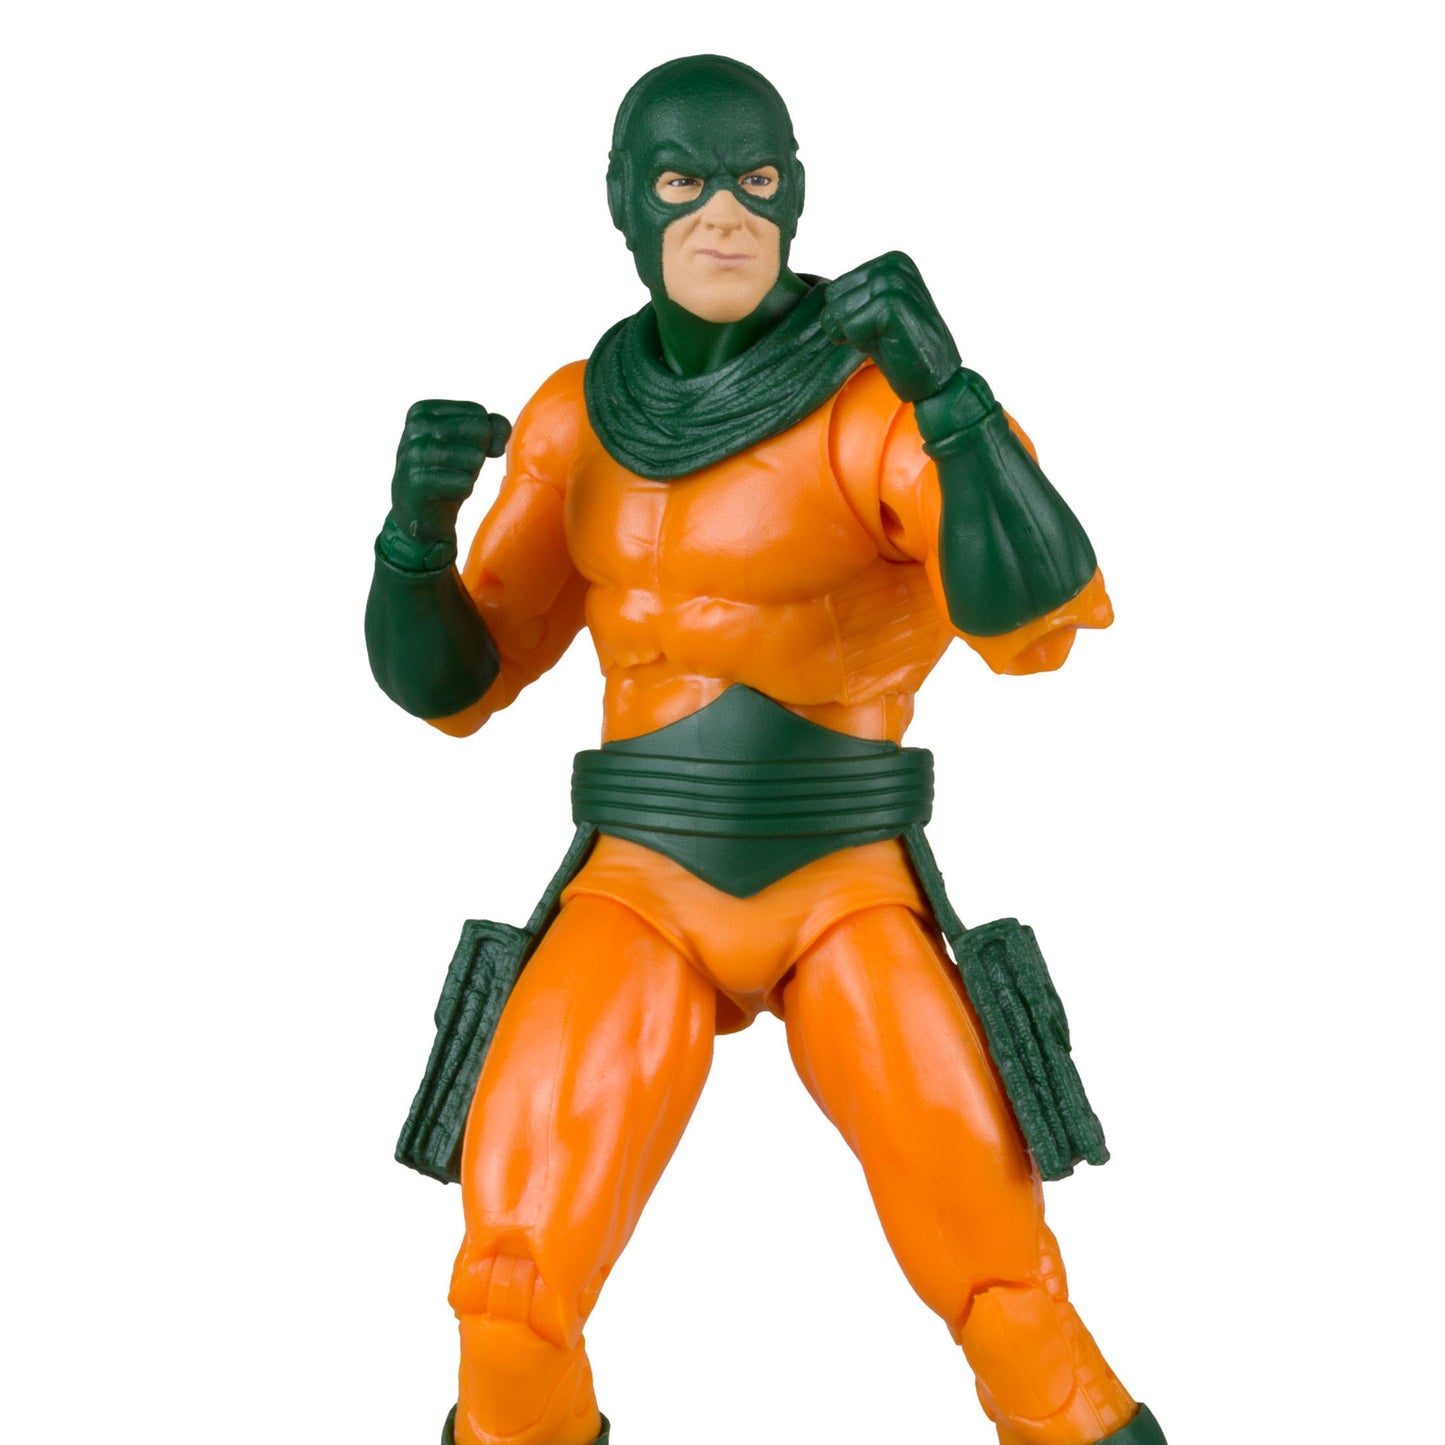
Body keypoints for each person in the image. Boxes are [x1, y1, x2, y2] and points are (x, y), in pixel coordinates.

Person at [367, 53, 1166, 1445]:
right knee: (506, 1295)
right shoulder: (574, 417)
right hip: (635, 884)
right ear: (625, 203)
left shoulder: (872, 405)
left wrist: (953, 400)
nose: (724, 215)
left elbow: (1034, 620)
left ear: (796, 193)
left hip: (843, 883)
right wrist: (411, 539)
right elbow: (459, 683)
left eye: (754, 180)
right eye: (684, 183)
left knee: (1008, 1294)